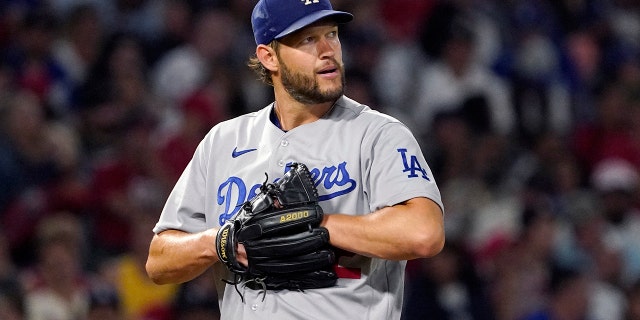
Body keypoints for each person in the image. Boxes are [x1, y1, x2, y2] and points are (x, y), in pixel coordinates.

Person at [145, 0, 445, 319]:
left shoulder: (377, 134)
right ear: (268, 56)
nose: (327, 49)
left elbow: (424, 233)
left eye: (331, 33)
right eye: (307, 39)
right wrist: (220, 241)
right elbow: (159, 260)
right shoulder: (223, 142)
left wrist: (319, 225)